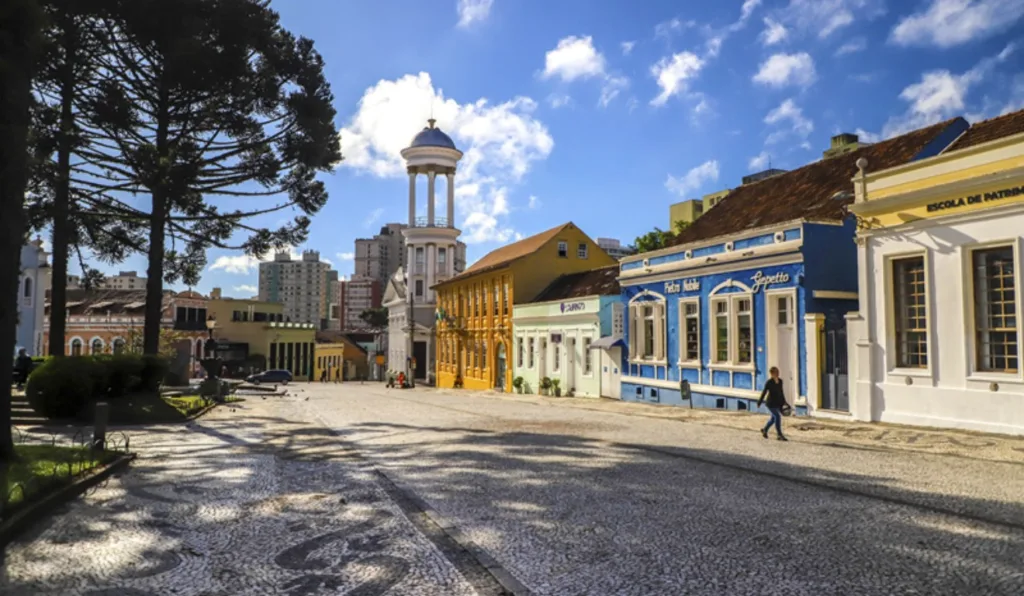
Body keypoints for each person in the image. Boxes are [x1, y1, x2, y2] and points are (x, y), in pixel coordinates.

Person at [757, 366, 789, 441]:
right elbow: (764, 392)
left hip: (777, 402)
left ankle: (765, 430)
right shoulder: (769, 382)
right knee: (777, 417)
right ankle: (779, 434)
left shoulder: (780, 381)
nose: (778, 374)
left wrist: (784, 402)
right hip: (770, 403)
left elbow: (781, 392)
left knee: (773, 419)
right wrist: (759, 402)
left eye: (778, 372)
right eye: (776, 372)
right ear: (772, 374)